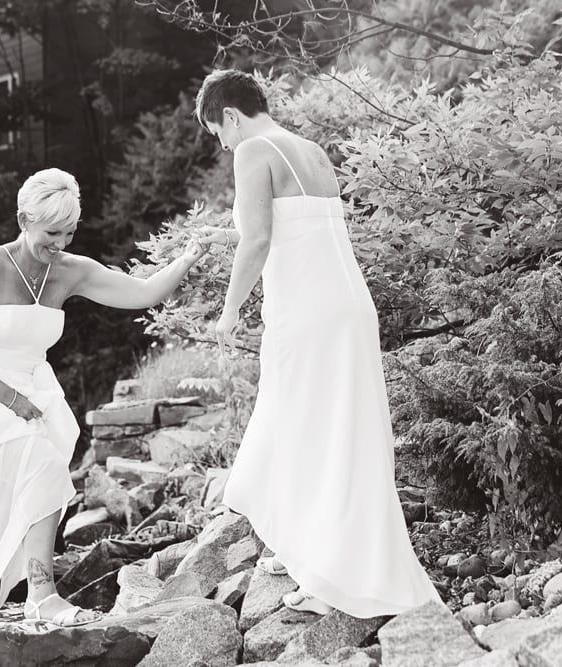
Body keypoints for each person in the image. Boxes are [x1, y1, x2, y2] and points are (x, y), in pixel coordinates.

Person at [193, 70, 443, 617]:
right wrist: (225, 236)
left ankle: (326, 572)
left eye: (218, 132)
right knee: (339, 430)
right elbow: (298, 227)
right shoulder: (311, 149)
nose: (224, 144)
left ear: (230, 116)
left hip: (306, 311)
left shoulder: (252, 150)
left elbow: (260, 239)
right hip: (348, 306)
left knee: (306, 428)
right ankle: (311, 548)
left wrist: (229, 311)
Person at [0, 168, 208, 635]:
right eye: (50, 232)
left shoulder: (71, 271)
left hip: (31, 397)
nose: (59, 242)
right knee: (5, 506)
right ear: (23, 219)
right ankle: (32, 603)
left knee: (13, 508)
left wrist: (190, 256)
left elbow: (143, 294)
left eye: (70, 232)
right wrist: (10, 399)